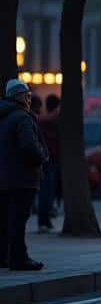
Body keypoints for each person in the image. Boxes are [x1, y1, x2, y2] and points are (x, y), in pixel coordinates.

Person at [0, 79, 46, 270]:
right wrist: (42, 157)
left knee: (4, 219)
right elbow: (29, 146)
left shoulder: (3, 116)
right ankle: (19, 258)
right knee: (19, 220)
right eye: (27, 94)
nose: (29, 98)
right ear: (19, 96)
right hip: (22, 177)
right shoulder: (22, 117)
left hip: (3, 177)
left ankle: (3, 257)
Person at [35, 94, 61, 232]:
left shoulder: (42, 121)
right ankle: (44, 219)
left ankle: (44, 220)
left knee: (46, 191)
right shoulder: (53, 120)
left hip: (47, 158)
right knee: (47, 191)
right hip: (50, 159)